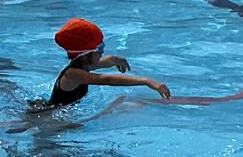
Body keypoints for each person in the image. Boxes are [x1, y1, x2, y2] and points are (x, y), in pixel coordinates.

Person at [40, 18, 170, 108]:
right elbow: (108, 79)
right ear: (86, 54)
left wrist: (114, 59)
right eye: (100, 48)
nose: (102, 51)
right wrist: (146, 81)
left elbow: (104, 62)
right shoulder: (73, 74)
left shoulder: (83, 64)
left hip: (61, 111)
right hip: (51, 116)